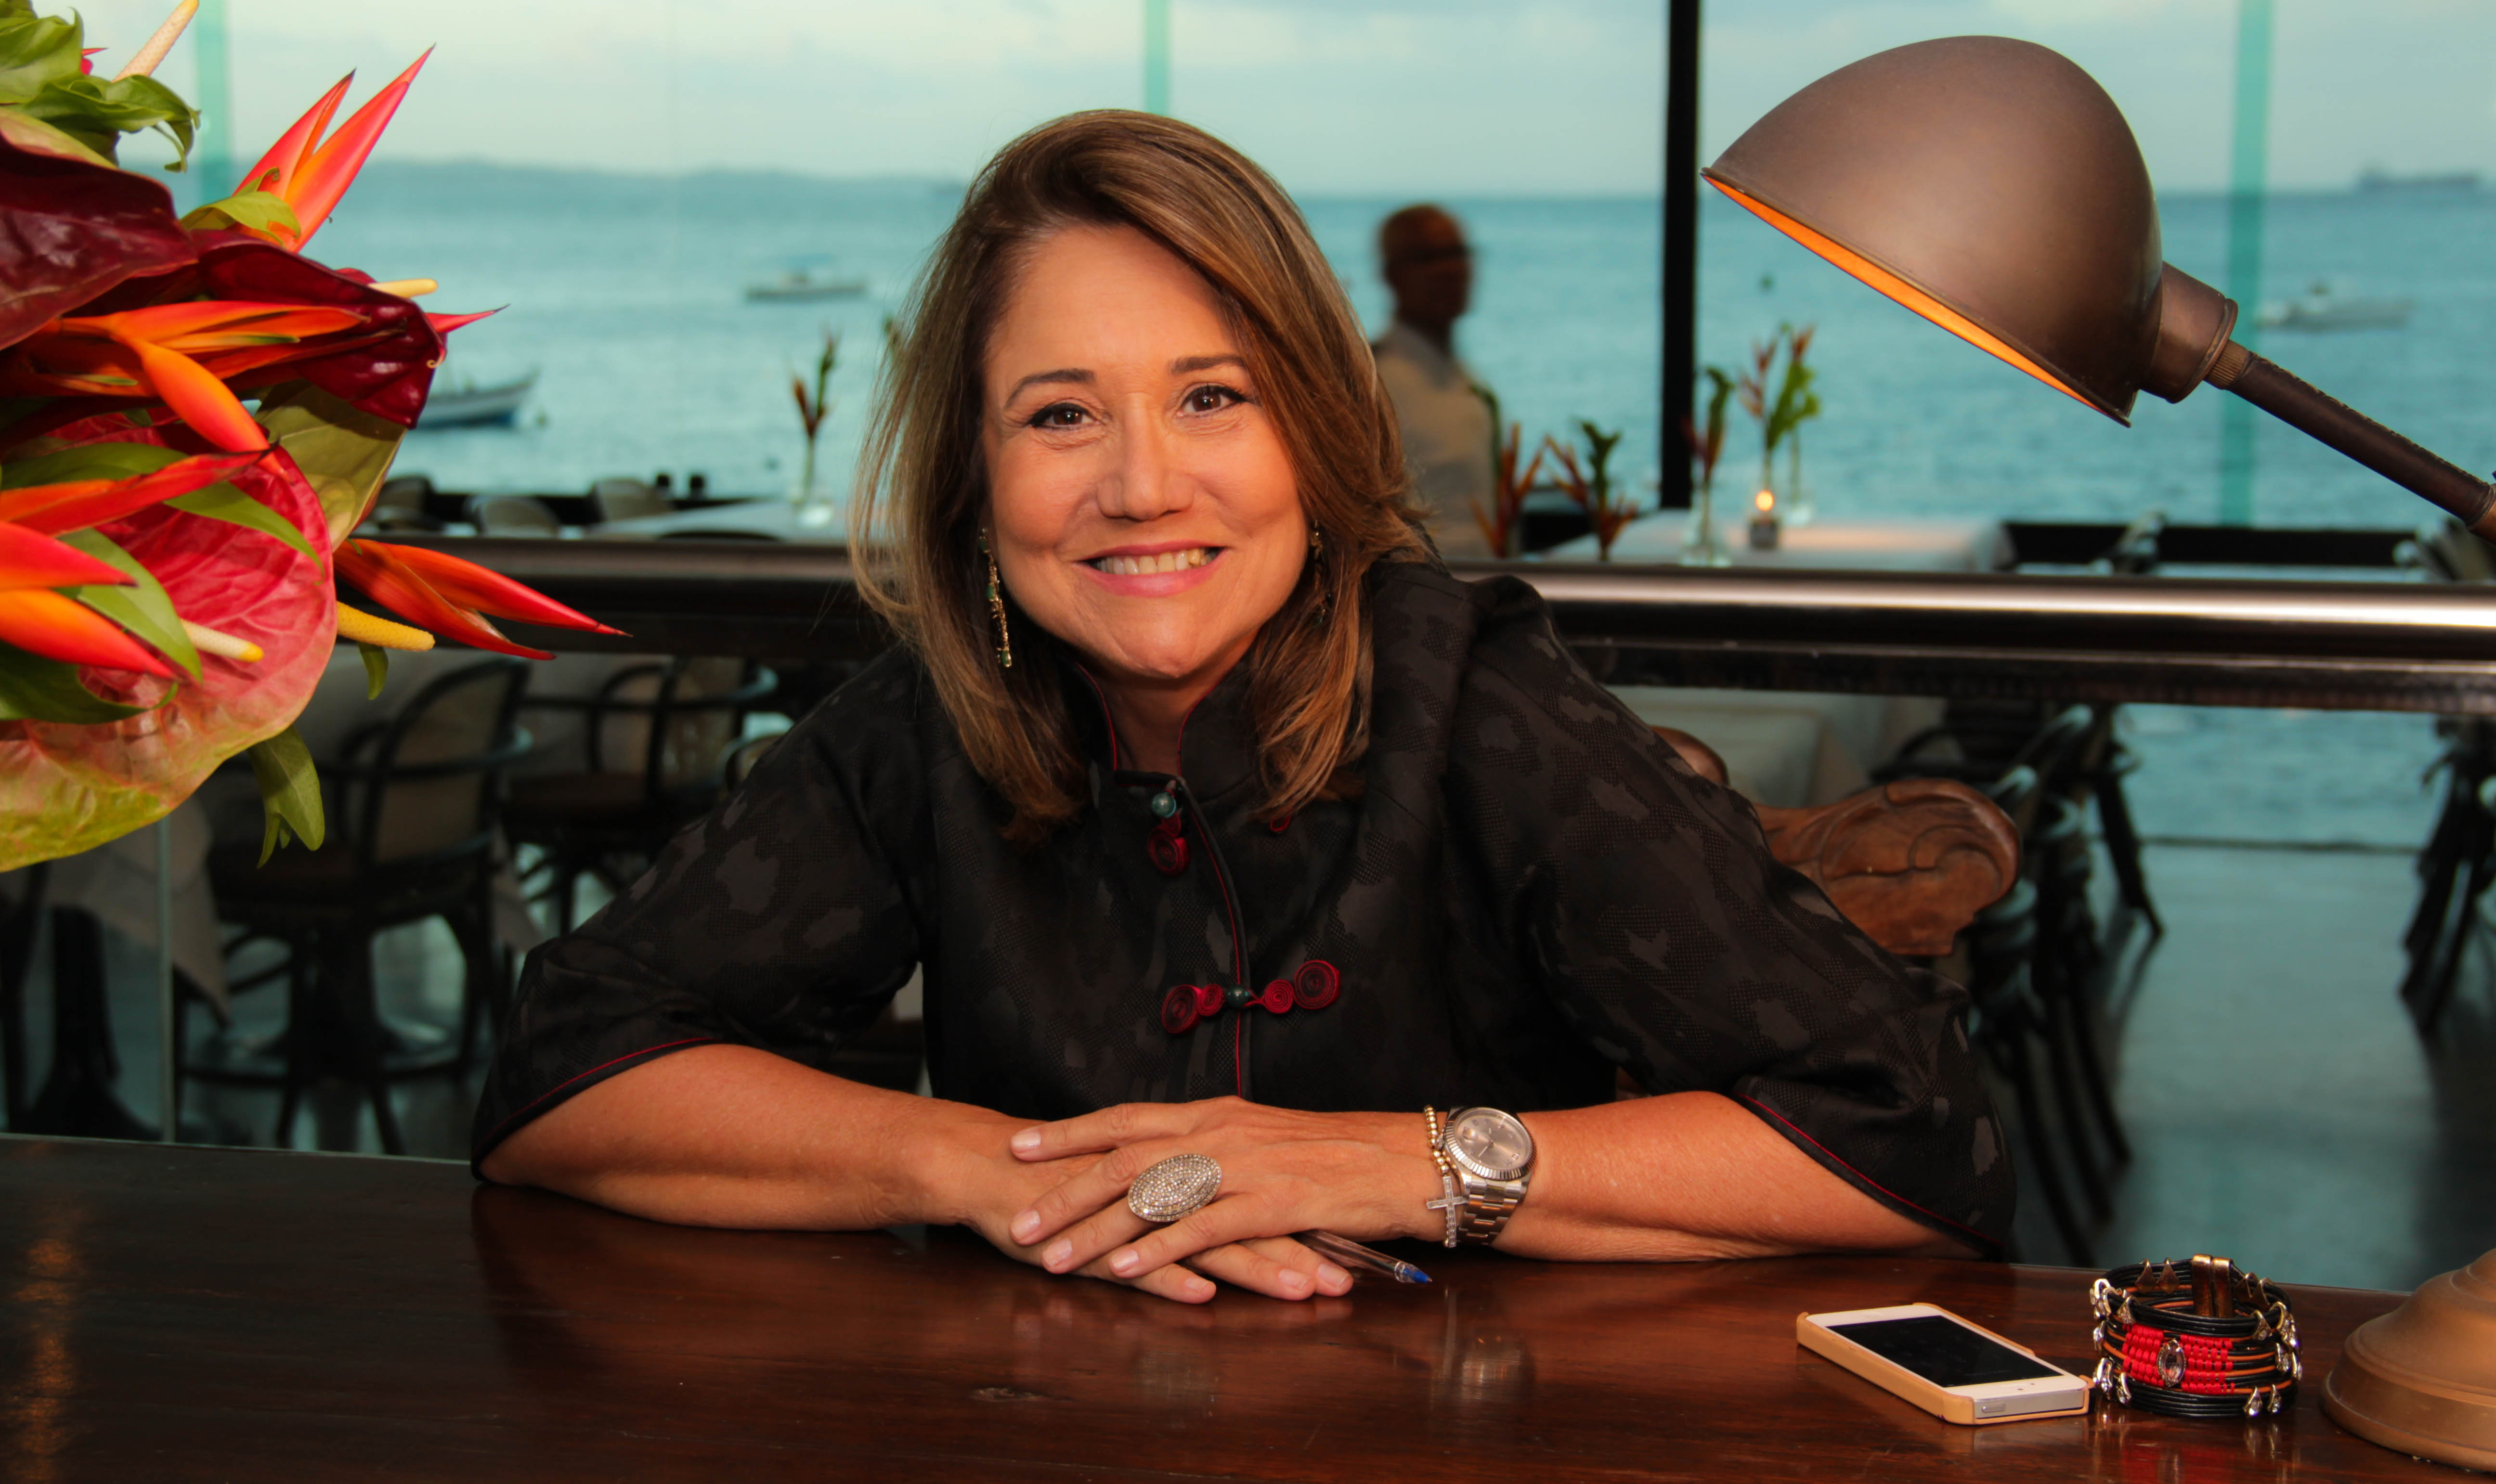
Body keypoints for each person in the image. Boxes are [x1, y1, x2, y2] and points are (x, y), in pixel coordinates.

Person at [474, 112, 2011, 1306]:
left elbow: (1923, 1131)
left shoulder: (1475, 700)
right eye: (1061, 414)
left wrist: (1403, 1168)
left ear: (1314, 439)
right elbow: (565, 1068)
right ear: (974, 478)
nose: (1143, 485)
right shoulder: (932, 717)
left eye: (1213, 397)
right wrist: (991, 1167)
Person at [1370, 204, 1497, 558]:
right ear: (1393, 275)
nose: (1451, 270)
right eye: (1429, 258)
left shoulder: (1464, 382)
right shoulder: (1375, 386)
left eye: (1458, 254)